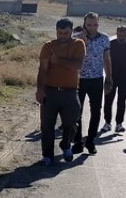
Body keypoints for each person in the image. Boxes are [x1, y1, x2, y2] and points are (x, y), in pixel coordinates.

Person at [36, 18, 86, 166]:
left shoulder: (78, 44)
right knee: (47, 126)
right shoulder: (48, 46)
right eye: (59, 33)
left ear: (71, 32)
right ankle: (47, 155)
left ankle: (65, 144)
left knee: (71, 122)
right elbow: (43, 69)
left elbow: (78, 66)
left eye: (65, 33)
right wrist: (40, 90)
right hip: (50, 91)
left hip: (70, 91)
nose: (62, 36)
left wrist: (58, 61)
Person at [72, 12, 112, 155]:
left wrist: (109, 77)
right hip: (79, 78)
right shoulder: (76, 38)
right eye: (89, 25)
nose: (92, 27)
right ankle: (77, 142)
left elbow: (106, 58)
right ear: (84, 24)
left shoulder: (104, 39)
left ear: (98, 24)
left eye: (94, 24)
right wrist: (83, 41)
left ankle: (90, 141)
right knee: (77, 112)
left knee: (96, 111)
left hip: (96, 79)